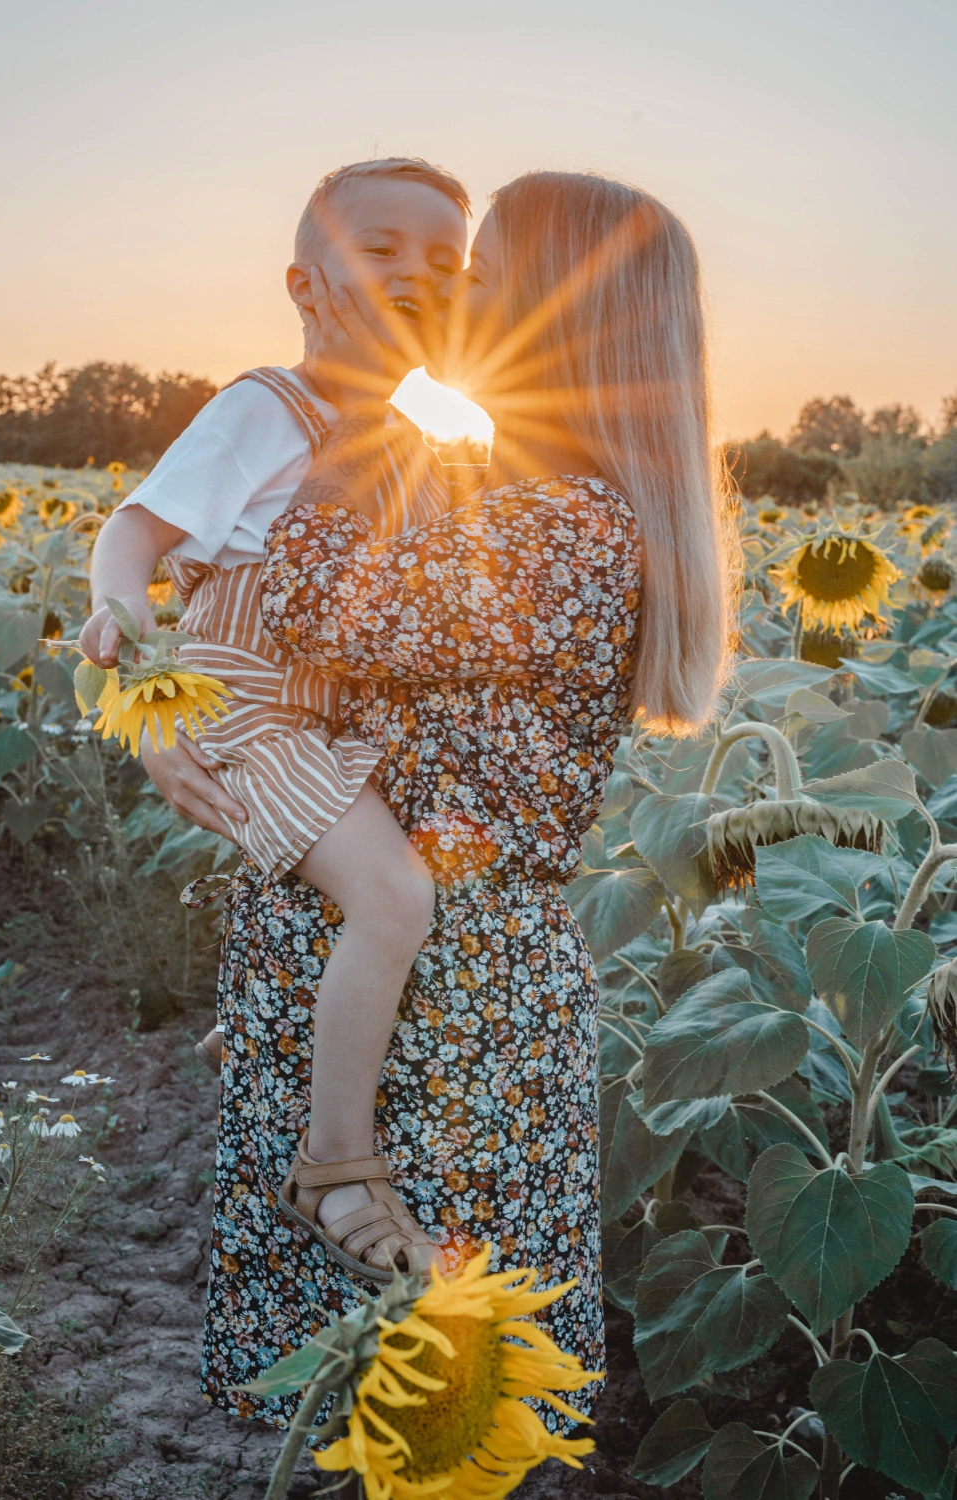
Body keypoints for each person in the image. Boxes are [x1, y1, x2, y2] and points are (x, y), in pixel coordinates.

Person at [145, 169, 730, 1434]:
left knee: (428, 1401)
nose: (442, 292)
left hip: (447, 1006)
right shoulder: (493, 487)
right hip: (393, 963)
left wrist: (332, 407)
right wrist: (172, 722)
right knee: (353, 1408)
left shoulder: (561, 525)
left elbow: (303, 593)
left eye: (476, 275)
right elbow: (296, 675)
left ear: (553, 317)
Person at [82, 158, 471, 1285]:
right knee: (395, 894)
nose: (417, 273)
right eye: (382, 249)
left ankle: (272, 1027)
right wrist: (128, 647)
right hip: (246, 702)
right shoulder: (269, 406)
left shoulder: (419, 432)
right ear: (305, 288)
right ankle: (336, 1166)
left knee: (438, 844)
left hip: (330, 703)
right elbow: (134, 533)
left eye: (445, 261)